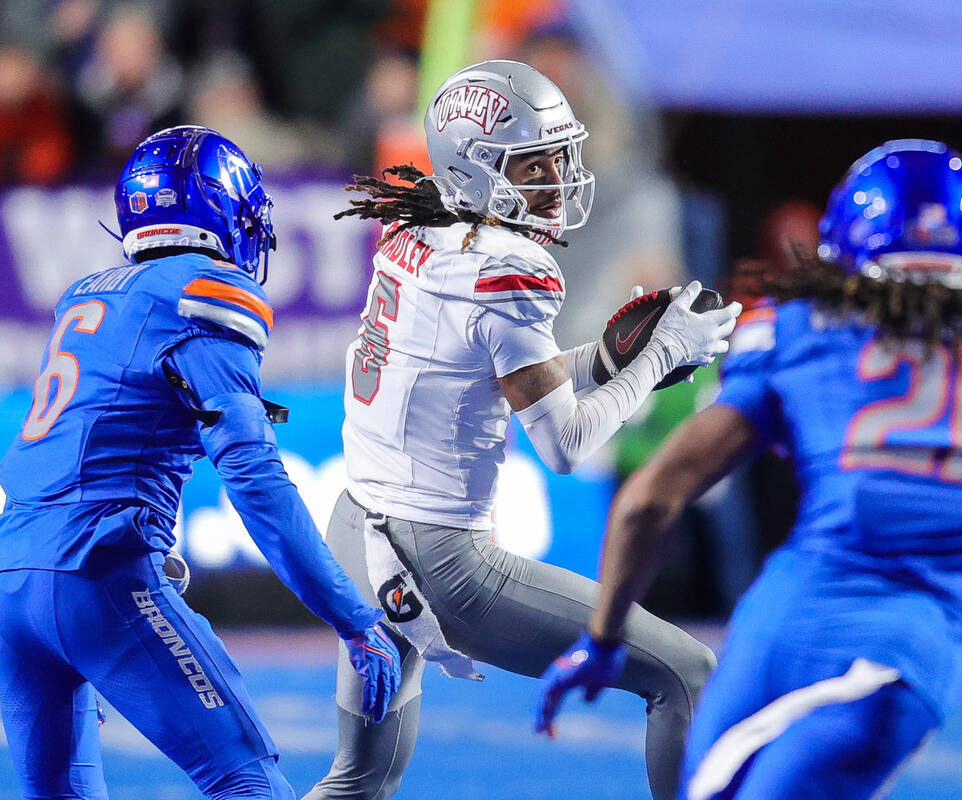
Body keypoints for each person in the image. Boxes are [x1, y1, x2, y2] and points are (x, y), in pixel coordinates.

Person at [535, 139, 962, 800]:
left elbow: (649, 500)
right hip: (912, 640)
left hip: (782, 620)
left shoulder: (795, 335)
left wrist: (605, 638)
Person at [305, 60, 740, 800]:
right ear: (474, 172)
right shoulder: (507, 266)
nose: (557, 180)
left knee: (358, 782)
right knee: (686, 674)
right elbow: (566, 447)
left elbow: (491, 372)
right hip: (442, 563)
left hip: (358, 527)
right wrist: (659, 357)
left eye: (557, 158)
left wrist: (605, 362)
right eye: (533, 164)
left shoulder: (421, 232)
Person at [0, 125, 401, 800]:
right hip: (95, 570)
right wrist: (353, 618)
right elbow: (256, 483)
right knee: (246, 780)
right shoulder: (205, 291)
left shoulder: (88, 292)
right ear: (219, 209)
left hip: (4, 578)